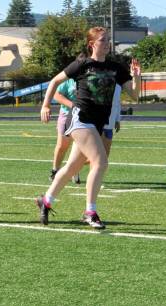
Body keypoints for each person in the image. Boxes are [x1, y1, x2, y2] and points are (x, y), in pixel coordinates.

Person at [36, 27, 141, 229]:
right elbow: (55, 81)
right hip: (81, 120)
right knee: (100, 162)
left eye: (109, 39)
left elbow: (135, 95)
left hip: (98, 124)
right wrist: (46, 105)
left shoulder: (116, 67)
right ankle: (90, 211)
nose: (107, 43)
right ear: (92, 44)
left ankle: (46, 200)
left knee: (72, 167)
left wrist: (135, 76)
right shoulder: (82, 64)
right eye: (103, 40)